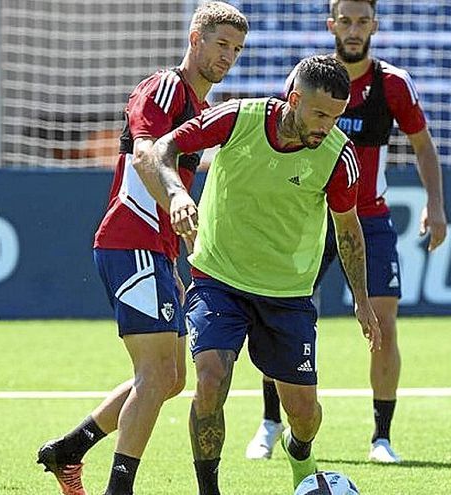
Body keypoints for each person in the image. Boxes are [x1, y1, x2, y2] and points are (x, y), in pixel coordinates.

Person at [141, 55, 381, 494]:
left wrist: (362, 302)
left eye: (336, 116)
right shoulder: (238, 118)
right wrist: (176, 193)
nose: (327, 125)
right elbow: (164, 148)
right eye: (320, 114)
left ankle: (299, 454)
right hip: (219, 278)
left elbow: (348, 229)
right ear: (293, 100)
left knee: (304, 414)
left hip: (287, 294)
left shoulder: (337, 155)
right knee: (211, 380)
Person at [35, 3, 247, 495]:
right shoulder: (166, 88)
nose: (228, 57)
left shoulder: (201, 110)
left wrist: (171, 255)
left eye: (236, 50)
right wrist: (176, 195)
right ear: (195, 38)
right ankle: (119, 489)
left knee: (170, 378)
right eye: (221, 45)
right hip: (128, 241)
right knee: (155, 374)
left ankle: (69, 450)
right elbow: (147, 152)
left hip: (153, 249)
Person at [245, 0, 447, 464]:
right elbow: (280, 138)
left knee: (384, 326)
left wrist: (435, 205)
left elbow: (423, 145)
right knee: (280, 316)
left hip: (370, 220)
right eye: (345, 20)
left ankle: (381, 438)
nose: (353, 30)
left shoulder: (392, 84)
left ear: (374, 25)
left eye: (362, 21)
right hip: (311, 218)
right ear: (330, 24)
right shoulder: (308, 79)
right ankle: (271, 424)